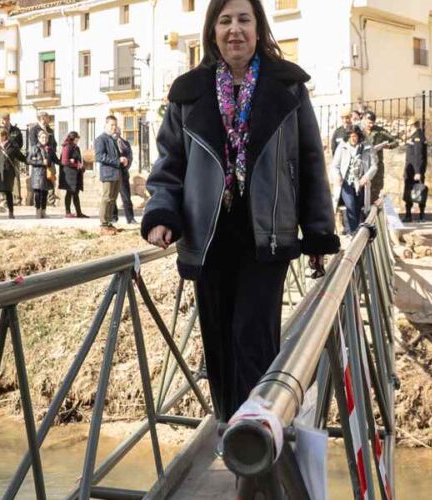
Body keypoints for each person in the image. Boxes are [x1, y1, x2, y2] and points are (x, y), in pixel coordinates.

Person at [141, 0, 339, 423]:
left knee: (254, 338)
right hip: (207, 237)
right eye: (225, 20)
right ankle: (231, 430)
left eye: (244, 20)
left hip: (266, 235)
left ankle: (257, 441)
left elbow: (309, 163)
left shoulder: (288, 87)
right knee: (218, 343)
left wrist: (319, 233)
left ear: (258, 28)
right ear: (212, 31)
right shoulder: (187, 92)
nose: (235, 30)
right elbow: (168, 165)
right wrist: (161, 215)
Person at [330, 127, 378, 235]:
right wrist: (337, 176)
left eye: (355, 136)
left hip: (361, 183)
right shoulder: (342, 147)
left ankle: (355, 231)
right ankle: (353, 232)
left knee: (357, 208)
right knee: (350, 205)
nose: (353, 139)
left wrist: (366, 177)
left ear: (359, 136)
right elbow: (335, 166)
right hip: (346, 182)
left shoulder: (367, 147)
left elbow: (374, 166)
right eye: (351, 136)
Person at [361, 111, 399, 203]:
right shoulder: (359, 131)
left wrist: (387, 146)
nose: (370, 125)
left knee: (375, 190)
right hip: (363, 164)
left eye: (372, 123)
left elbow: (395, 142)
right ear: (364, 120)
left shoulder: (380, 131)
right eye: (369, 122)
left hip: (376, 164)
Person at [95, 115, 124, 235]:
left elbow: (117, 155)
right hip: (107, 173)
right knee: (106, 198)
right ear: (106, 125)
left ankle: (109, 223)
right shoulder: (101, 139)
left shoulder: (113, 139)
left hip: (116, 173)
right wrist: (118, 161)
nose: (114, 127)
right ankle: (103, 224)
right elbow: (100, 156)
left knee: (113, 199)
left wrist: (123, 159)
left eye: (115, 125)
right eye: (112, 125)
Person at [0, 113, 25, 204]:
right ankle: (3, 198)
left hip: (13, 156)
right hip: (1, 157)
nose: (3, 121)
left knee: (15, 176)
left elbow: (20, 143)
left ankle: (17, 198)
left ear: (9, 119)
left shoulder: (16, 131)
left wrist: (14, 149)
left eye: (5, 119)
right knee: (2, 176)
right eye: (2, 119)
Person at [27, 112, 56, 207]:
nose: (49, 119)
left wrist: (51, 152)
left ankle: (51, 201)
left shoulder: (50, 130)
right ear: (42, 118)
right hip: (39, 160)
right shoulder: (34, 129)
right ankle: (37, 206)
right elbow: (34, 144)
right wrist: (42, 155)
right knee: (38, 185)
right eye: (48, 118)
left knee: (50, 179)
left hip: (49, 159)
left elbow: (53, 143)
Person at [27, 129, 58, 219]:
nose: (44, 139)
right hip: (37, 174)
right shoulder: (34, 148)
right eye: (42, 137)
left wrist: (66, 162)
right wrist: (41, 162)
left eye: (46, 137)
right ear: (39, 138)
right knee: (37, 194)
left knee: (45, 193)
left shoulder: (50, 149)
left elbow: (56, 160)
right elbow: (28, 160)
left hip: (47, 174)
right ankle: (38, 211)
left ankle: (43, 212)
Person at [402, 117, 428, 223]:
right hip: (410, 170)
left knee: (419, 191)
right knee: (408, 192)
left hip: (415, 171)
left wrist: (418, 172)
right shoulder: (413, 136)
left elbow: (419, 155)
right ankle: (408, 214)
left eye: (408, 126)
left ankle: (421, 215)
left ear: (412, 125)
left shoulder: (418, 136)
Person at [111, 130, 136, 225]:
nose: (117, 132)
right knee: (112, 197)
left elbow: (130, 156)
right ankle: (113, 217)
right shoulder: (110, 142)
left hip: (123, 173)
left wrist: (127, 163)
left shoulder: (125, 143)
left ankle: (130, 218)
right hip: (113, 172)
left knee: (126, 197)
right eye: (115, 130)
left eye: (118, 130)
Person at [59, 131, 87, 218]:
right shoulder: (67, 146)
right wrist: (76, 164)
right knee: (70, 192)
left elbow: (77, 160)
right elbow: (65, 161)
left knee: (76, 193)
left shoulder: (76, 147)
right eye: (77, 138)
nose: (78, 140)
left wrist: (80, 166)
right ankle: (68, 212)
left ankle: (79, 212)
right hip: (69, 174)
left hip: (76, 174)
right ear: (73, 138)